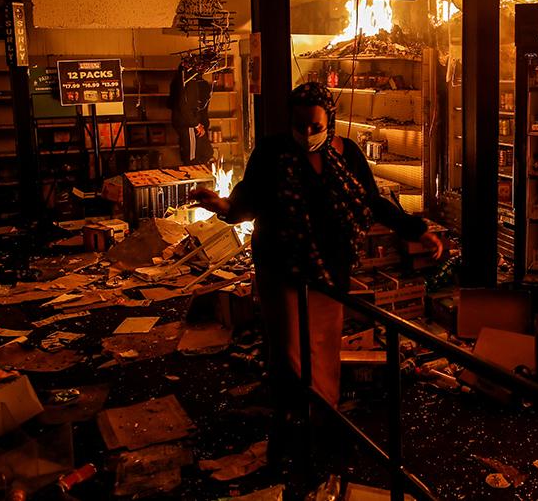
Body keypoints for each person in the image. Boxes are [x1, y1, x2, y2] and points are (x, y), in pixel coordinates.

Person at [189, 83, 443, 460]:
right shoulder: (272, 153)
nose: (306, 134)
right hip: (282, 265)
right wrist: (224, 207)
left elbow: (371, 202)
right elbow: (248, 201)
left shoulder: (348, 155)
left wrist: (416, 230)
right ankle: (291, 423)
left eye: (314, 126)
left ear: (330, 123)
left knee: (323, 348)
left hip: (331, 269)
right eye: (299, 126)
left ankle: (324, 420)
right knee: (290, 347)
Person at [168, 60, 213, 165]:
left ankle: (195, 175)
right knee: (191, 158)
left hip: (183, 122)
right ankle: (193, 178)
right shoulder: (190, 83)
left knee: (201, 152)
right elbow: (184, 106)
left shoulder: (176, 82)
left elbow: (170, 103)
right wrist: (196, 124)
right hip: (189, 124)